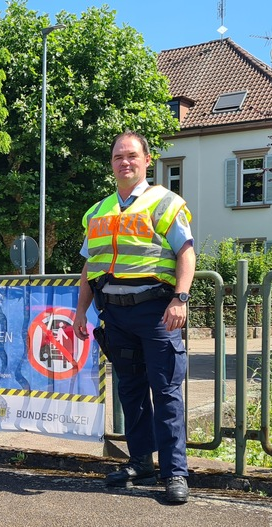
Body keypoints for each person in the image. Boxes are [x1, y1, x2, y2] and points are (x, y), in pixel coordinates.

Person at [73, 131, 196, 504]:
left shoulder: (166, 203)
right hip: (115, 315)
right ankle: (141, 462)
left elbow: (187, 254)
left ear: (146, 161)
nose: (124, 162)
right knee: (131, 393)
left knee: (166, 391)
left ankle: (175, 472)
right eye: (117, 157)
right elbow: (90, 266)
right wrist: (81, 311)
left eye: (131, 156)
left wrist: (181, 298)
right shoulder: (97, 212)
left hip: (157, 312)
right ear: (111, 164)